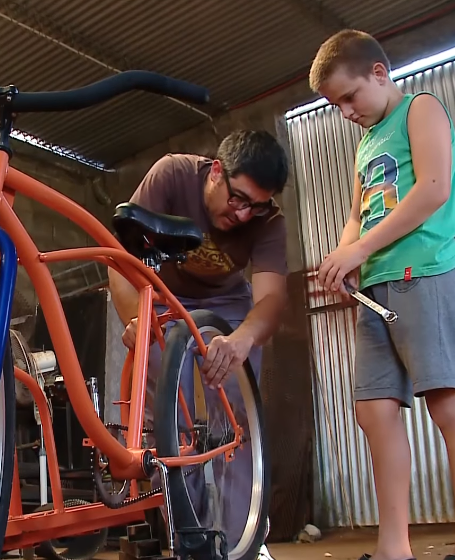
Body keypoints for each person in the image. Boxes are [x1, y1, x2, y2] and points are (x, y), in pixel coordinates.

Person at [309, 30, 455, 560]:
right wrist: (342, 257)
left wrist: (359, 249)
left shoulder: (420, 109)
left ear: (379, 73)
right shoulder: (367, 140)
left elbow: (433, 188)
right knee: (372, 410)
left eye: (349, 97)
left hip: (427, 272)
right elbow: (357, 212)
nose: (345, 112)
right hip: (377, 284)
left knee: (448, 402)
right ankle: (394, 549)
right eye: (334, 105)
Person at [107, 129, 289, 560]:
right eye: (238, 199)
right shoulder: (171, 175)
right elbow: (121, 259)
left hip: (227, 301)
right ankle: (188, 535)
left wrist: (241, 341)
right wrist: (137, 318)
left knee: (236, 421)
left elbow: (271, 299)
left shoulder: (268, 220)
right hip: (163, 296)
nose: (244, 215)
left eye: (257, 206)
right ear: (216, 172)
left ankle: (245, 537)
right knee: (168, 419)